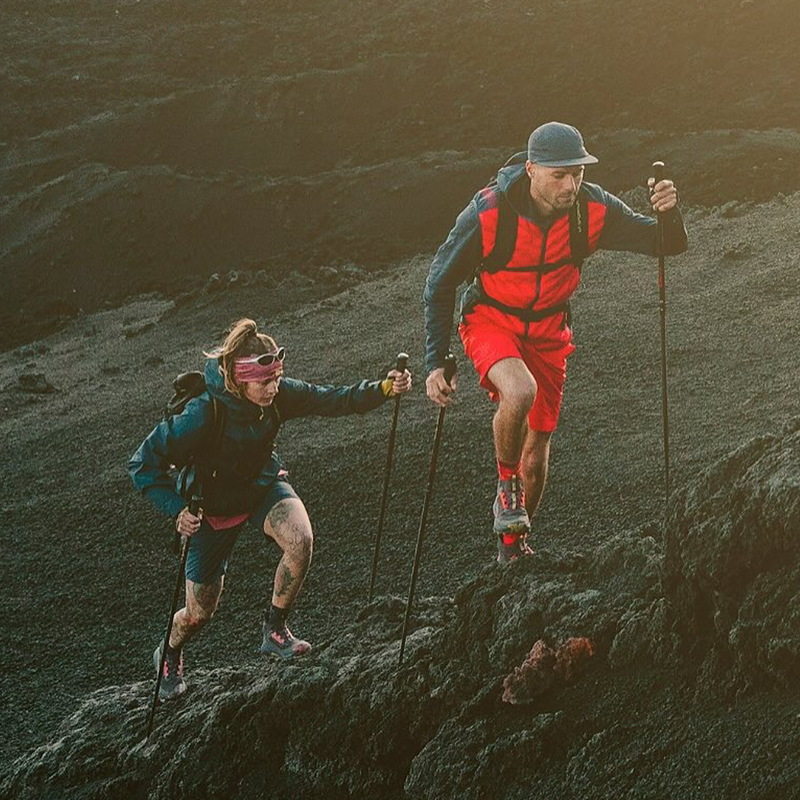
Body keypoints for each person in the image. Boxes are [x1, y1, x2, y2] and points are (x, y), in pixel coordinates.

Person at [423, 121, 688, 564]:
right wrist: (435, 361)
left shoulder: (592, 210)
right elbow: (440, 281)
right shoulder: (489, 212)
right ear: (531, 170)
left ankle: (512, 549)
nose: (570, 186)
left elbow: (666, 243)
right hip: (491, 320)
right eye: (559, 175)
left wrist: (669, 211)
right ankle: (506, 487)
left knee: (537, 449)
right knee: (519, 390)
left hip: (549, 331)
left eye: (577, 173)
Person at [129, 318, 411, 699]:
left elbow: (331, 398)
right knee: (198, 613)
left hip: (260, 486)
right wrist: (178, 509)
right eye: (265, 382)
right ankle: (169, 650)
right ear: (240, 380)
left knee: (300, 539)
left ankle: (275, 629)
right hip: (211, 509)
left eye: (277, 378)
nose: (274, 388)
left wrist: (384, 389)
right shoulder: (203, 413)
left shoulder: (278, 395)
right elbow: (142, 464)